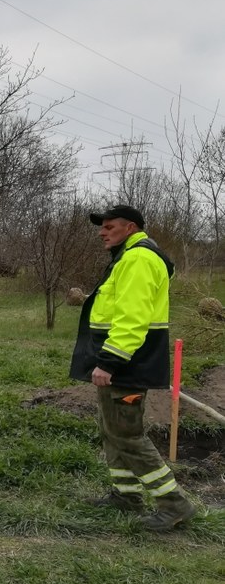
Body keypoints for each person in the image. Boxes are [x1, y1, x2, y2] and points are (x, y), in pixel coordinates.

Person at [70, 204, 197, 531]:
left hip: (126, 365)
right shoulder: (130, 257)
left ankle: (174, 503)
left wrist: (109, 362)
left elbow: (132, 319)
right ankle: (126, 495)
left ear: (130, 228)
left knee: (127, 435)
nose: (102, 232)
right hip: (123, 363)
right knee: (112, 431)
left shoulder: (138, 259)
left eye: (109, 226)